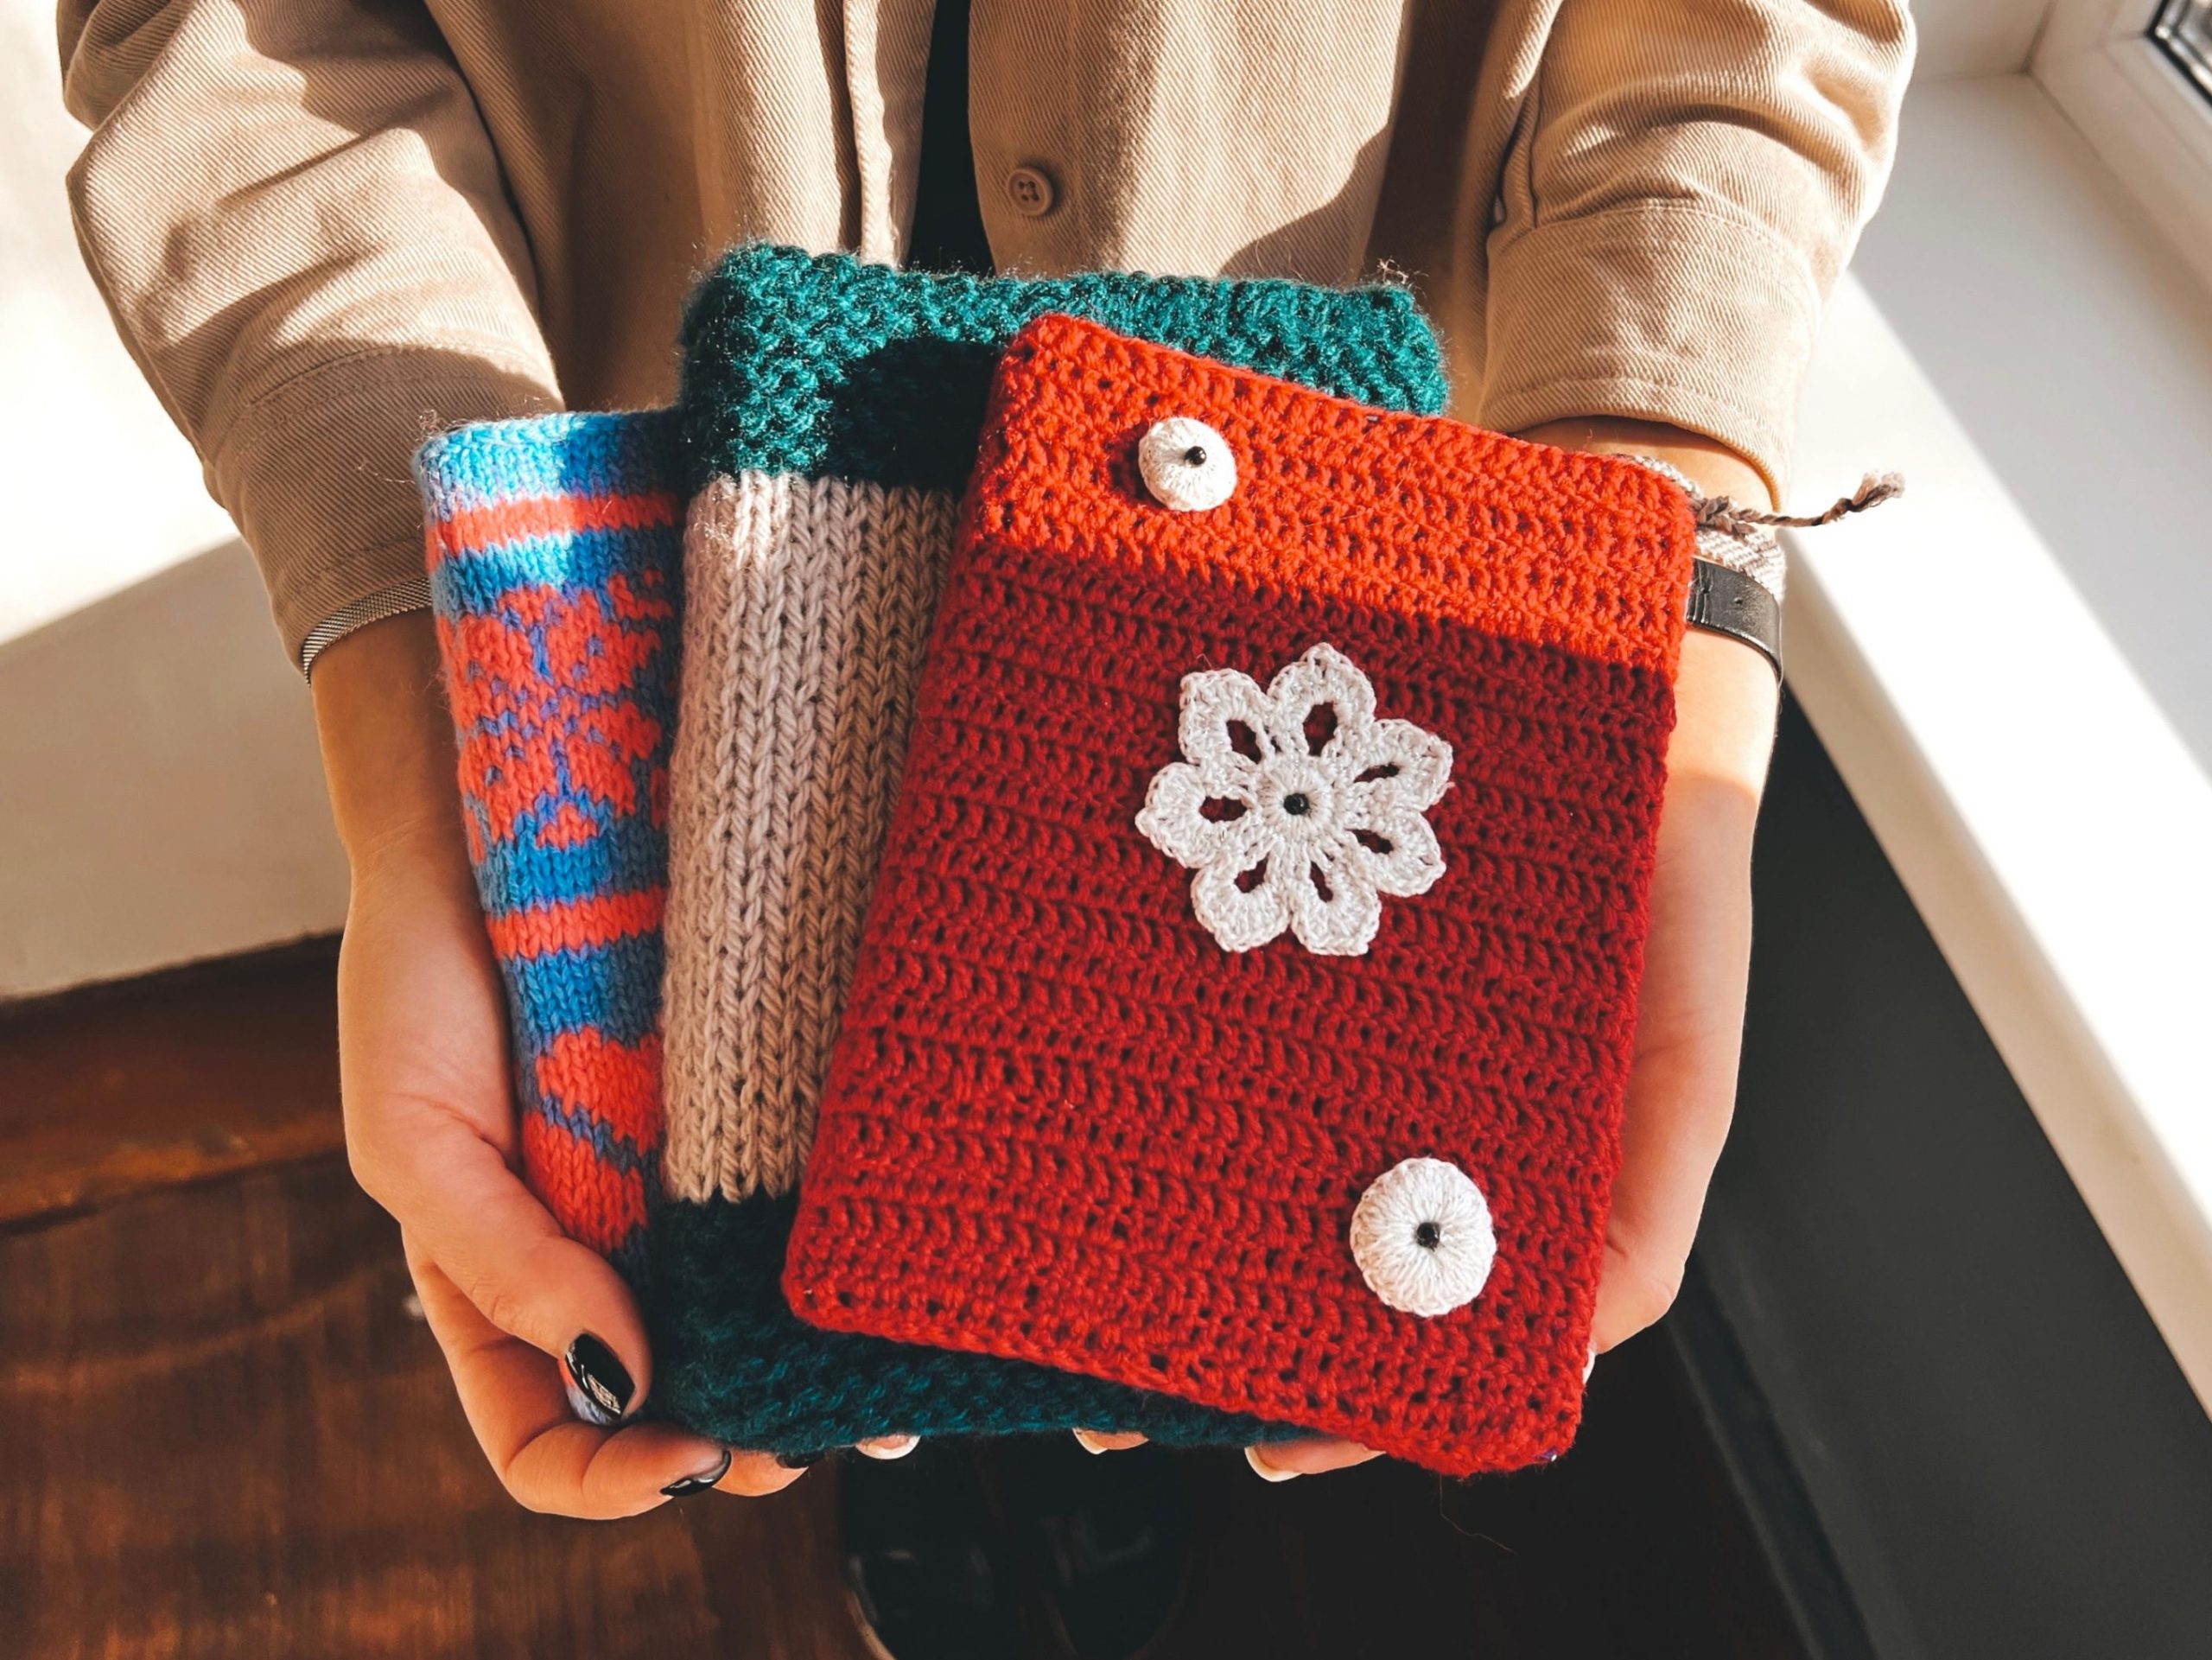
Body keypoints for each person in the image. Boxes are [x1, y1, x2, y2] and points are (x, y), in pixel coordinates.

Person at [60, 1, 1913, 1654]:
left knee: (1169, 1183)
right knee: (814, 1198)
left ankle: (1055, 1424)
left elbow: (1728, 34)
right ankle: (923, 1442)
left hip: (1320, 583)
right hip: (725, 562)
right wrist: (437, 726)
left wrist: (1661, 623)